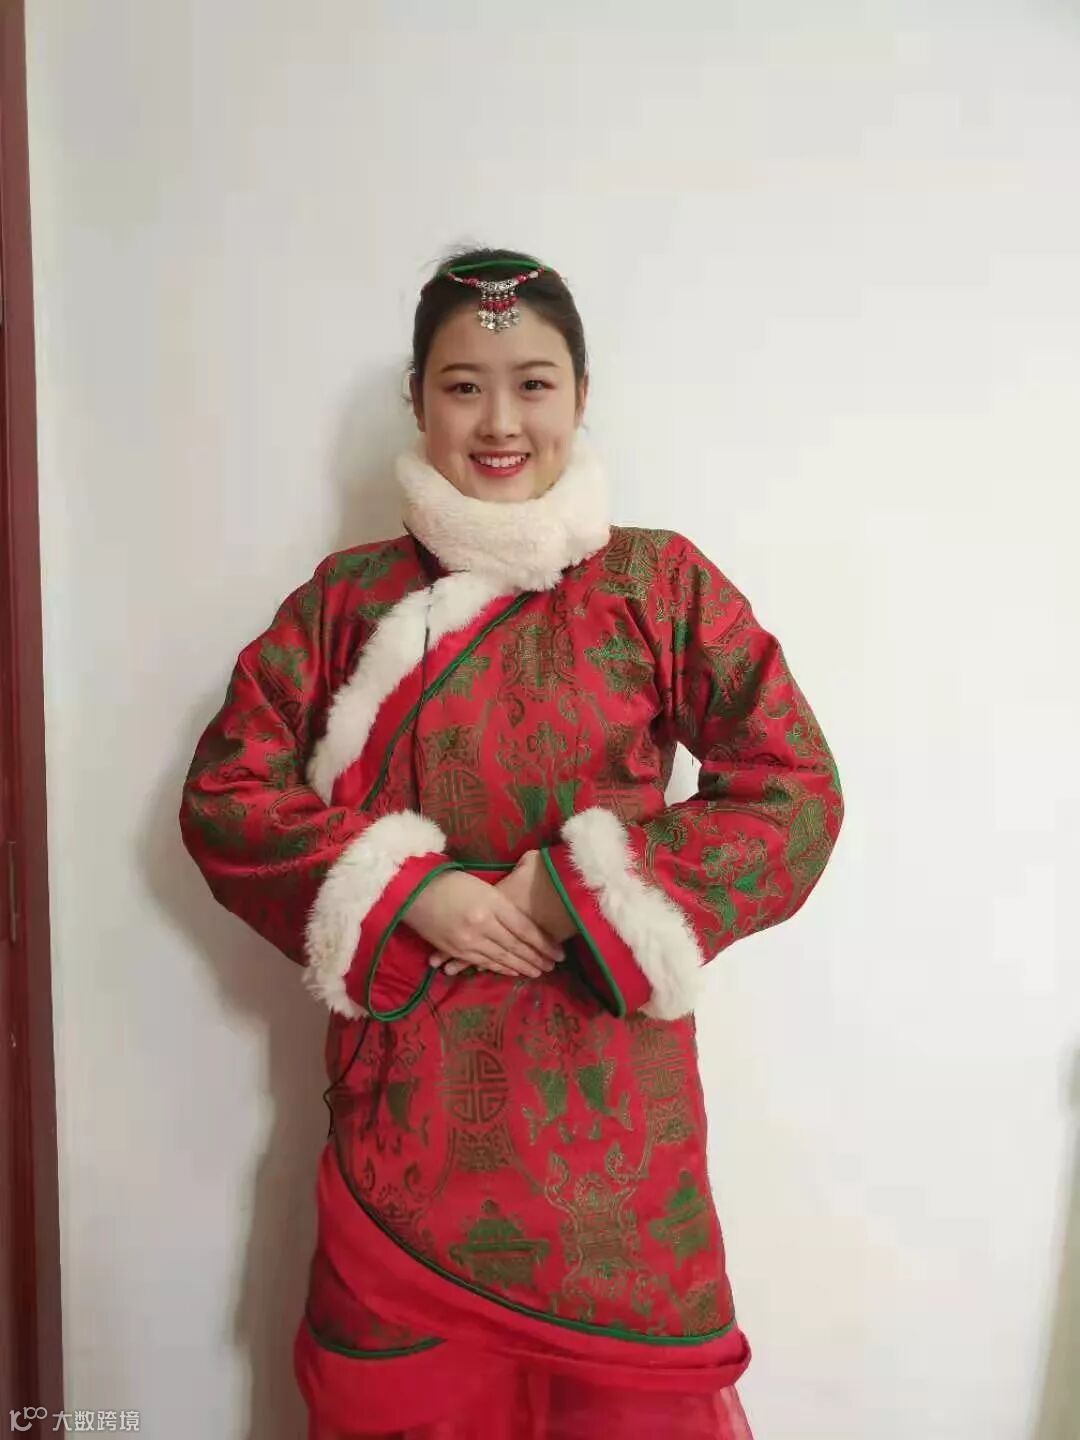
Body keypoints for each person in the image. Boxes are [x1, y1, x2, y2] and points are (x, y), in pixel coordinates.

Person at [180, 246, 844, 1439]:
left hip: (612, 1134)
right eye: (462, 386)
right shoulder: (345, 600)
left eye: (532, 384)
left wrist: (578, 890)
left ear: (580, 395)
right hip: (406, 1125)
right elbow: (228, 794)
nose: (499, 421)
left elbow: (793, 788)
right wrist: (405, 889)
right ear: (419, 401)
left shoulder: (657, 584)